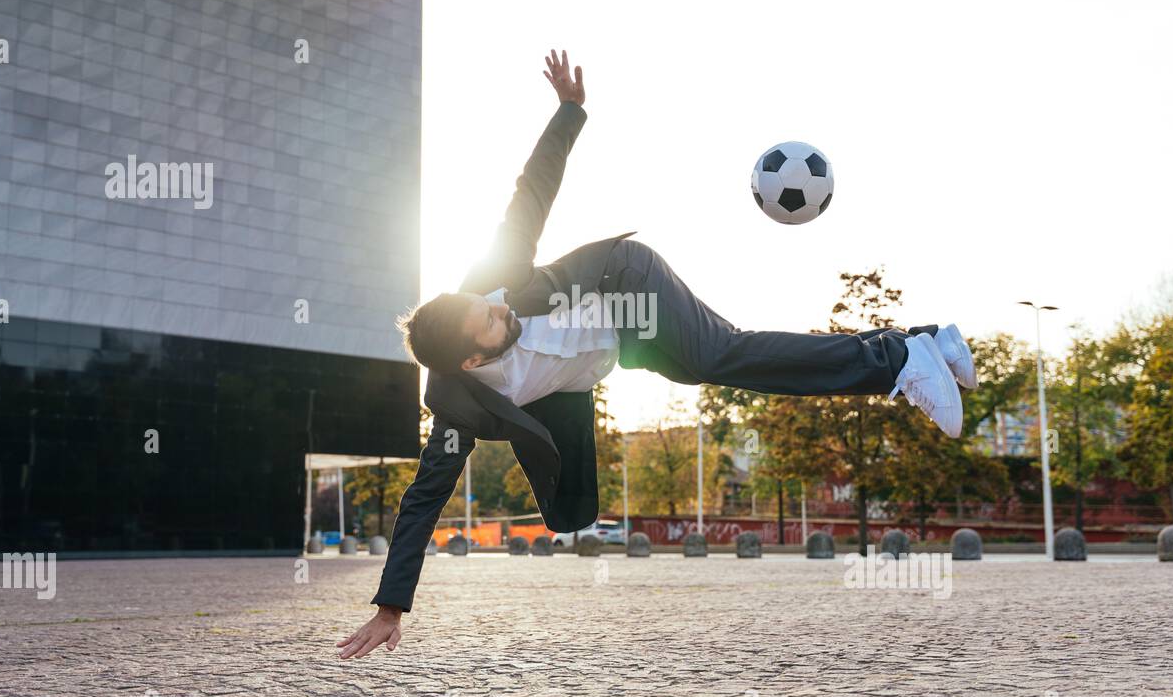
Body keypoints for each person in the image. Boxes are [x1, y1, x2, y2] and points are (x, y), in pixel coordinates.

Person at [336, 49, 976, 659]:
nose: (499, 306)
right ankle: (922, 344)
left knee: (723, 357)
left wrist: (568, 112)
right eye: (489, 320)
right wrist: (391, 607)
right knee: (730, 357)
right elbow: (423, 498)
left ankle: (898, 362)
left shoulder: (492, 276)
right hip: (628, 343)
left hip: (624, 282)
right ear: (470, 363)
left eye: (489, 303)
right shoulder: (458, 411)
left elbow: (530, 195)